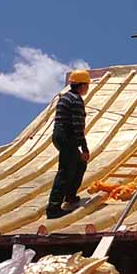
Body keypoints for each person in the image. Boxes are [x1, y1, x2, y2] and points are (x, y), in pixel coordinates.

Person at [46, 69, 90, 219]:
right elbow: (78, 126)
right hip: (67, 137)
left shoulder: (65, 97)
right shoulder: (76, 100)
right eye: (87, 85)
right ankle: (53, 208)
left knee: (79, 164)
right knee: (65, 171)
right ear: (82, 85)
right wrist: (84, 148)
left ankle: (70, 195)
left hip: (59, 135)